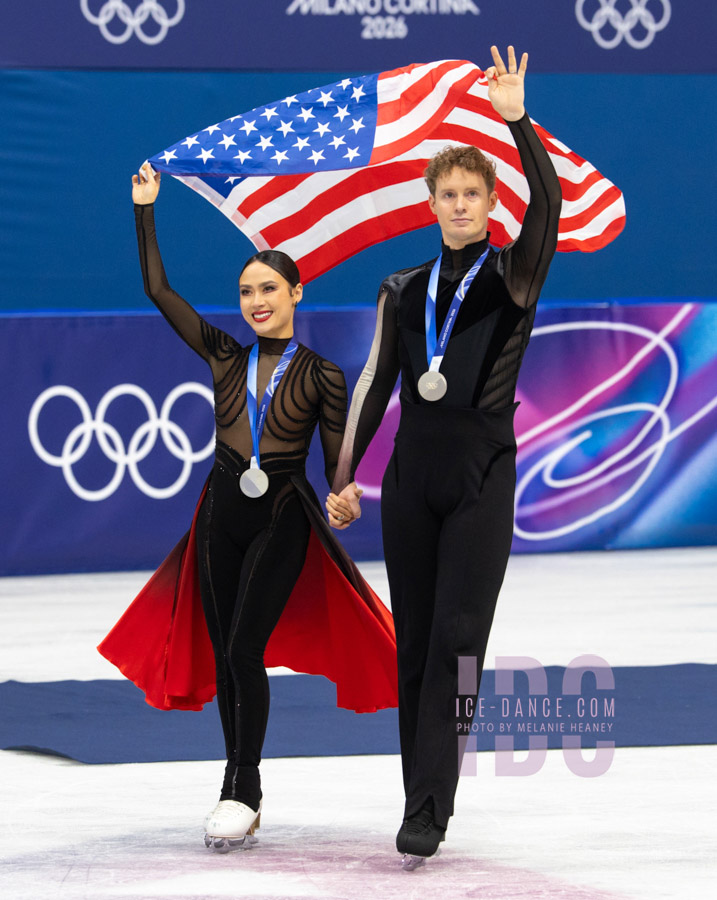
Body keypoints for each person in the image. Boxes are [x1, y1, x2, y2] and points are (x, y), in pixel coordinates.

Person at [99, 164, 398, 853]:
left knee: (242, 646)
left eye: (268, 288)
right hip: (218, 511)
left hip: (284, 514)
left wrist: (344, 493)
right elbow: (157, 289)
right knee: (228, 656)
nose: (255, 301)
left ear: (296, 292)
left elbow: (335, 464)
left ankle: (244, 786)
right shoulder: (222, 356)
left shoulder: (323, 374)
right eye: (245, 291)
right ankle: (234, 786)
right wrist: (145, 209)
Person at [326, 45, 562, 868]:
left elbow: (552, 207)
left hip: (481, 472)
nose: (459, 205)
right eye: (447, 194)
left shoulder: (511, 277)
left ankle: (432, 804)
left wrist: (515, 119)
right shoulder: (400, 289)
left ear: (490, 202)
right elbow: (373, 383)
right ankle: (414, 792)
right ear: (430, 203)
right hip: (412, 473)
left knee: (461, 636)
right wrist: (344, 473)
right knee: (417, 643)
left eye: (472, 194)